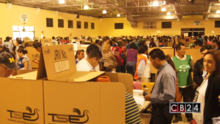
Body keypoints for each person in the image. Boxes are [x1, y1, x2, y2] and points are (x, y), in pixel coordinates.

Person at [145, 49, 176, 124]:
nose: (152, 64)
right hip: (159, 109)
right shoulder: (162, 70)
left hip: (163, 110)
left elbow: (169, 95)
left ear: (157, 59)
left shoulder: (166, 72)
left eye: (152, 61)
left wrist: (152, 97)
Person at [193, 49, 220, 124]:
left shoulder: (217, 78)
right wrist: (175, 108)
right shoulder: (207, 75)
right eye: (204, 61)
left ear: (217, 63)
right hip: (198, 120)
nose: (206, 64)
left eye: (210, 62)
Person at [172, 43, 194, 123]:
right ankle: (178, 117)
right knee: (176, 101)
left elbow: (193, 69)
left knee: (188, 101)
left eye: (185, 49)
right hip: (178, 84)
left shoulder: (189, 58)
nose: (184, 50)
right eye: (183, 49)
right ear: (178, 50)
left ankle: (189, 116)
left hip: (188, 83)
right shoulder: (173, 59)